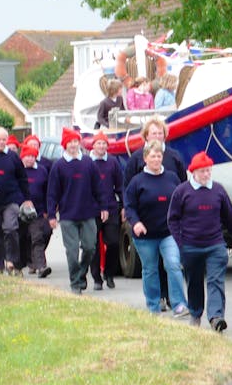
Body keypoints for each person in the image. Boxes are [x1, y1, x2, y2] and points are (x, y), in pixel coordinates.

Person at [168, 151, 232, 330]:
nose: (206, 175)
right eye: (202, 171)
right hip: (190, 246)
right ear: (193, 172)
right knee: (194, 282)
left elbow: (229, 216)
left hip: (215, 244)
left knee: (216, 280)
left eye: (209, 171)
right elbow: (172, 219)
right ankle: (195, 313)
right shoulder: (182, 191)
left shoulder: (218, 189)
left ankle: (216, 316)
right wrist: (180, 244)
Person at [124, 115, 187, 311]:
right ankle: (153, 304)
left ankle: (178, 304)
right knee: (150, 269)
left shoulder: (173, 171)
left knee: (173, 265)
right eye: (153, 134)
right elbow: (129, 200)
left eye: (160, 133)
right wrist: (134, 221)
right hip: (145, 232)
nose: (157, 158)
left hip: (168, 231)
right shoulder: (136, 176)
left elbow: (183, 194)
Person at [47, 127, 109, 295]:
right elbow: (52, 193)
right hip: (68, 216)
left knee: (90, 247)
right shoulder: (59, 166)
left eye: (76, 141)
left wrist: (104, 206)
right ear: (65, 144)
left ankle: (81, 274)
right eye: (70, 142)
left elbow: (99, 187)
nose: (73, 145)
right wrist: (52, 215)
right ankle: (75, 283)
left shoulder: (88, 163)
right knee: (72, 251)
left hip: (88, 213)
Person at [0, 127, 33, 276]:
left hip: (10, 200)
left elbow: (22, 178)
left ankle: (13, 263)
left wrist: (27, 198)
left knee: (11, 229)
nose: (2, 142)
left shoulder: (13, 157)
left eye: (4, 139)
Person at [89, 131, 124, 290]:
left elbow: (120, 185)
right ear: (93, 145)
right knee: (94, 245)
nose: (102, 146)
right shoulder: (87, 162)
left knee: (113, 242)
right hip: (92, 209)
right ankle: (96, 278)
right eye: (99, 143)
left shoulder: (113, 162)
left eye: (104, 143)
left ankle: (109, 273)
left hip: (110, 207)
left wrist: (123, 206)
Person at [19, 145, 52, 278]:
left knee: (39, 236)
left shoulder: (42, 171)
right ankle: (22, 263)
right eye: (27, 156)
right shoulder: (18, 171)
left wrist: (46, 210)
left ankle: (40, 267)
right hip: (19, 211)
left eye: (33, 156)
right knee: (22, 238)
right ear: (22, 157)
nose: (30, 159)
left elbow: (47, 191)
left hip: (37, 212)